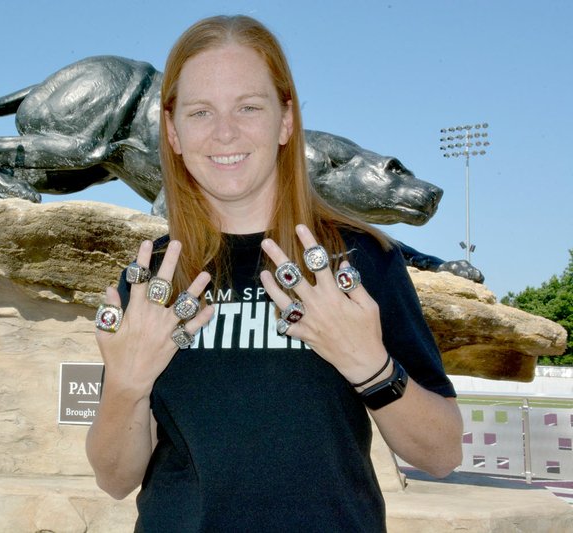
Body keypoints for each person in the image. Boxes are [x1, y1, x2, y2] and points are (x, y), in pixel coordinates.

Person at [86, 15, 462, 531]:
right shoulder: (155, 275)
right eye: (200, 112)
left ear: (286, 120)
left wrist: (370, 366)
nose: (224, 132)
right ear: (171, 132)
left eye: (249, 107)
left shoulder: (360, 259)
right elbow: (114, 478)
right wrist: (125, 386)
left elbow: (441, 453)